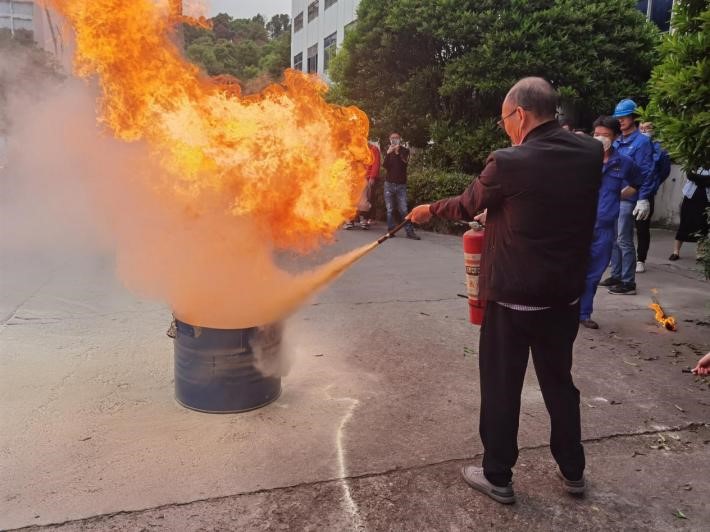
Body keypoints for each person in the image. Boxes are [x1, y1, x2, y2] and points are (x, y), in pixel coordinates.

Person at [409, 77, 603, 504]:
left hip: (514, 299)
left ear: (520, 114)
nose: (505, 129)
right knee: (559, 383)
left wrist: (428, 209)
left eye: (504, 120)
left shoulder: (509, 161)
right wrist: (500, 216)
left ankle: (497, 475)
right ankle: (573, 470)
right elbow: (546, 203)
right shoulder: (590, 152)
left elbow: (466, 203)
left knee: (502, 387)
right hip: (563, 298)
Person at [580, 117, 642, 329]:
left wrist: (619, 196)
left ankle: (584, 313)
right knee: (571, 269)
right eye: (597, 134)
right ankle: (563, 310)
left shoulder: (623, 163)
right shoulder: (582, 160)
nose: (600, 139)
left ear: (615, 137)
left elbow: (637, 181)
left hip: (604, 228)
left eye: (605, 135)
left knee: (593, 274)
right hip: (578, 226)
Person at [599, 99, 654, 295]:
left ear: (634, 118)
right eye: (618, 118)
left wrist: (643, 197)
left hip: (628, 198)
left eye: (624, 117)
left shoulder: (642, 142)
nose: (620, 120)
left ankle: (628, 282)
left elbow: (646, 172)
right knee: (613, 239)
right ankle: (616, 275)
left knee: (624, 239)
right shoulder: (617, 140)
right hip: (612, 197)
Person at [635, 122, 671, 272]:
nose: (644, 130)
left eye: (648, 128)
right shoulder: (633, 143)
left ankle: (640, 259)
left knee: (642, 228)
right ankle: (619, 256)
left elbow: (664, 171)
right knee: (621, 227)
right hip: (628, 191)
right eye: (641, 128)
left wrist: (653, 185)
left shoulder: (659, 148)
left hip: (646, 193)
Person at [382, 132, 420, 240]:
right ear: (390, 139)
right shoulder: (389, 150)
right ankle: (391, 231)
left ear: (400, 139)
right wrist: (388, 153)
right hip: (389, 184)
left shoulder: (405, 150)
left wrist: (397, 152)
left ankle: (409, 232)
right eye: (392, 138)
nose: (394, 140)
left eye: (396, 138)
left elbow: (404, 164)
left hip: (401, 185)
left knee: (403, 209)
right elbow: (385, 166)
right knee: (390, 209)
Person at [669, 168, 710, 260]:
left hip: (706, 199)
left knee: (703, 225)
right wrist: (704, 179)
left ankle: (700, 253)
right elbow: (690, 175)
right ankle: (676, 252)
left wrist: (698, 178)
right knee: (684, 223)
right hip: (690, 197)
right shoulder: (695, 162)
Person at [344, 140, 381, 230]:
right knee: (350, 200)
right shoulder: (353, 149)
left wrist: (372, 177)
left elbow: (376, 164)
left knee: (364, 201)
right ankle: (350, 221)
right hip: (353, 178)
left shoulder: (372, 149)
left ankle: (363, 221)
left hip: (364, 178)